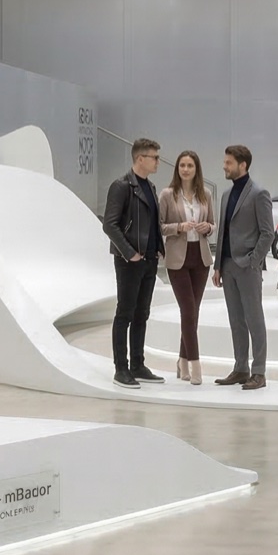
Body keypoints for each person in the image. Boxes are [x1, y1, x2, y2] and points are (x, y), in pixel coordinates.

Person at [100, 138, 168, 388]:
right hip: (130, 260)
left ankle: (138, 364)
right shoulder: (121, 186)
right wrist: (129, 253)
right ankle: (121, 368)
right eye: (155, 157)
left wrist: (158, 248)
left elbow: (152, 223)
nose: (158, 161)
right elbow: (110, 224)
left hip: (148, 260)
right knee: (125, 313)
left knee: (142, 313)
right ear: (140, 159)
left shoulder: (150, 186)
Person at [212, 144, 274, 390]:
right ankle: (240, 368)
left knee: (254, 319)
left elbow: (268, 233)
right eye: (225, 162)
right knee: (235, 319)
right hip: (227, 266)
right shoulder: (227, 194)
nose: (224, 166)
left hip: (247, 266)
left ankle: (259, 371)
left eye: (228, 162)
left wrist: (253, 261)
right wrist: (217, 266)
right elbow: (223, 233)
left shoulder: (259, 193)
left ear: (242, 165)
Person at [158, 150, 216, 385]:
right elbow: (160, 227)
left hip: (200, 258)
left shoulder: (206, 195)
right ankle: (195, 364)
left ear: (196, 169)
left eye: (190, 165)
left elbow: (213, 223)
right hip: (177, 259)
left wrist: (207, 228)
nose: (185, 169)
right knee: (188, 311)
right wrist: (179, 226)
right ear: (177, 169)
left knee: (193, 313)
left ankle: (182, 360)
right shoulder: (167, 195)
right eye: (182, 165)